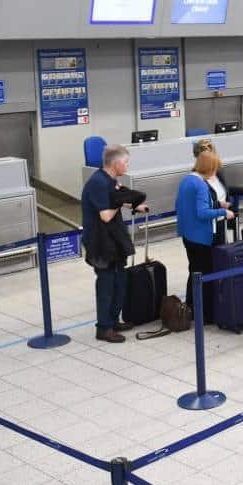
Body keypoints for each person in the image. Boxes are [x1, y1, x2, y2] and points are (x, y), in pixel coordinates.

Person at [81, 145, 147, 343]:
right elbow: (106, 215)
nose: (127, 166)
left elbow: (115, 200)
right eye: (126, 162)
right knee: (106, 285)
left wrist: (134, 205)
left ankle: (113, 320)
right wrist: (121, 203)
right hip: (101, 243)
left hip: (113, 241)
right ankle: (103, 328)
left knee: (120, 281)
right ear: (116, 163)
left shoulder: (110, 181)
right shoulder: (98, 183)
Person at [174, 151, 236, 324]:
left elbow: (185, 205)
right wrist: (224, 211)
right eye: (214, 169)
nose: (215, 173)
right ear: (209, 168)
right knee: (206, 275)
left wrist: (216, 204)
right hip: (201, 237)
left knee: (194, 271)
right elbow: (202, 213)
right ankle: (206, 314)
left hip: (188, 235)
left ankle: (191, 308)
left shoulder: (186, 180)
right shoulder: (201, 184)